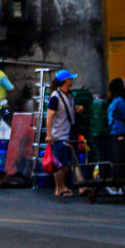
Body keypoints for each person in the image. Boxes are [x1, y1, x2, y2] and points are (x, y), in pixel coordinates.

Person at [45, 69, 78, 197]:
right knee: (60, 164)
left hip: (68, 134)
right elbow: (50, 116)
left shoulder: (68, 96)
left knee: (66, 164)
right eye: (70, 78)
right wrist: (49, 134)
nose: (72, 80)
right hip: (59, 135)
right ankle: (59, 188)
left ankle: (63, 186)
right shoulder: (55, 97)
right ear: (65, 80)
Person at [105, 78, 125, 167]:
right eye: (124, 83)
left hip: (115, 134)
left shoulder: (113, 102)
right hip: (123, 134)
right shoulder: (120, 101)